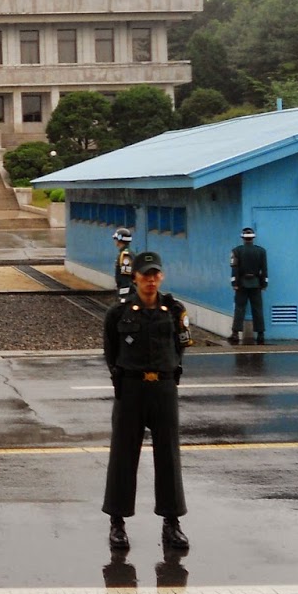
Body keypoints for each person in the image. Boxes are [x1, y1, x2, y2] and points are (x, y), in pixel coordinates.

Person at [103, 250, 191, 552]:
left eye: (155, 275)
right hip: (131, 389)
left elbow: (181, 346)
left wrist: (167, 370)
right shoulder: (119, 313)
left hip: (163, 388)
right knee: (123, 456)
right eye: (145, 275)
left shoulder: (174, 310)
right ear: (135, 277)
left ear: (161, 276)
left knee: (168, 456)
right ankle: (117, 524)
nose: (150, 280)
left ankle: (171, 523)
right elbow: (111, 351)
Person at [228, 226, 269, 345]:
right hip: (256, 283)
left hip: (241, 283)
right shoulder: (261, 251)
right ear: (253, 238)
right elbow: (264, 269)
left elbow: (234, 269)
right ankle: (260, 334)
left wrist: (234, 283)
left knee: (239, 308)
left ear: (243, 238)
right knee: (257, 309)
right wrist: (264, 283)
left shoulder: (236, 251)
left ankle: (235, 333)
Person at [112, 227, 135, 301]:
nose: (115, 241)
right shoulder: (129, 253)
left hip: (127, 293)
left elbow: (126, 278)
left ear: (119, 240)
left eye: (116, 239)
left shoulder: (125, 255)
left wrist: (123, 295)